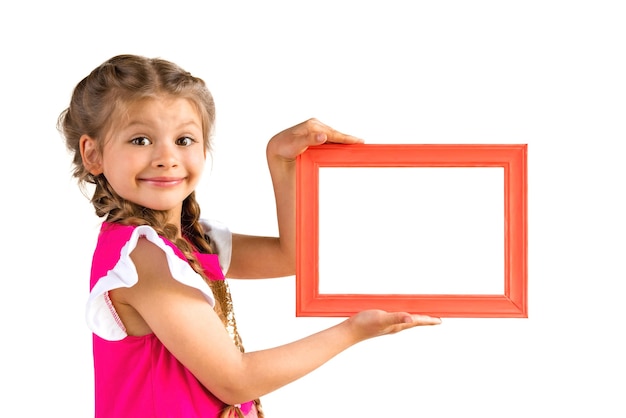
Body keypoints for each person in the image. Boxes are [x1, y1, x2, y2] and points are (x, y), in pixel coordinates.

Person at [57, 54, 442, 418]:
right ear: (93, 154)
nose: (166, 157)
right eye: (140, 140)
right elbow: (235, 380)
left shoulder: (185, 239)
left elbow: (292, 258)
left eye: (184, 140)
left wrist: (281, 161)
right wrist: (353, 330)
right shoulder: (141, 257)